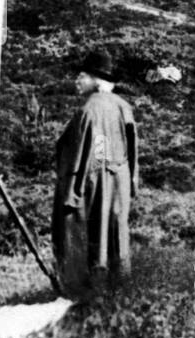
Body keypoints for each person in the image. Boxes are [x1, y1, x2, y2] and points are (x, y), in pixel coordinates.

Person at [51, 48, 138, 297]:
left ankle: (86, 294)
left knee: (90, 237)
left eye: (82, 76)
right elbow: (130, 150)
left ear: (95, 79)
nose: (77, 81)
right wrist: (130, 181)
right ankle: (120, 292)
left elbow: (85, 152)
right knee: (115, 237)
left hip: (94, 181)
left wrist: (72, 191)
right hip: (118, 181)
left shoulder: (90, 109)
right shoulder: (124, 107)